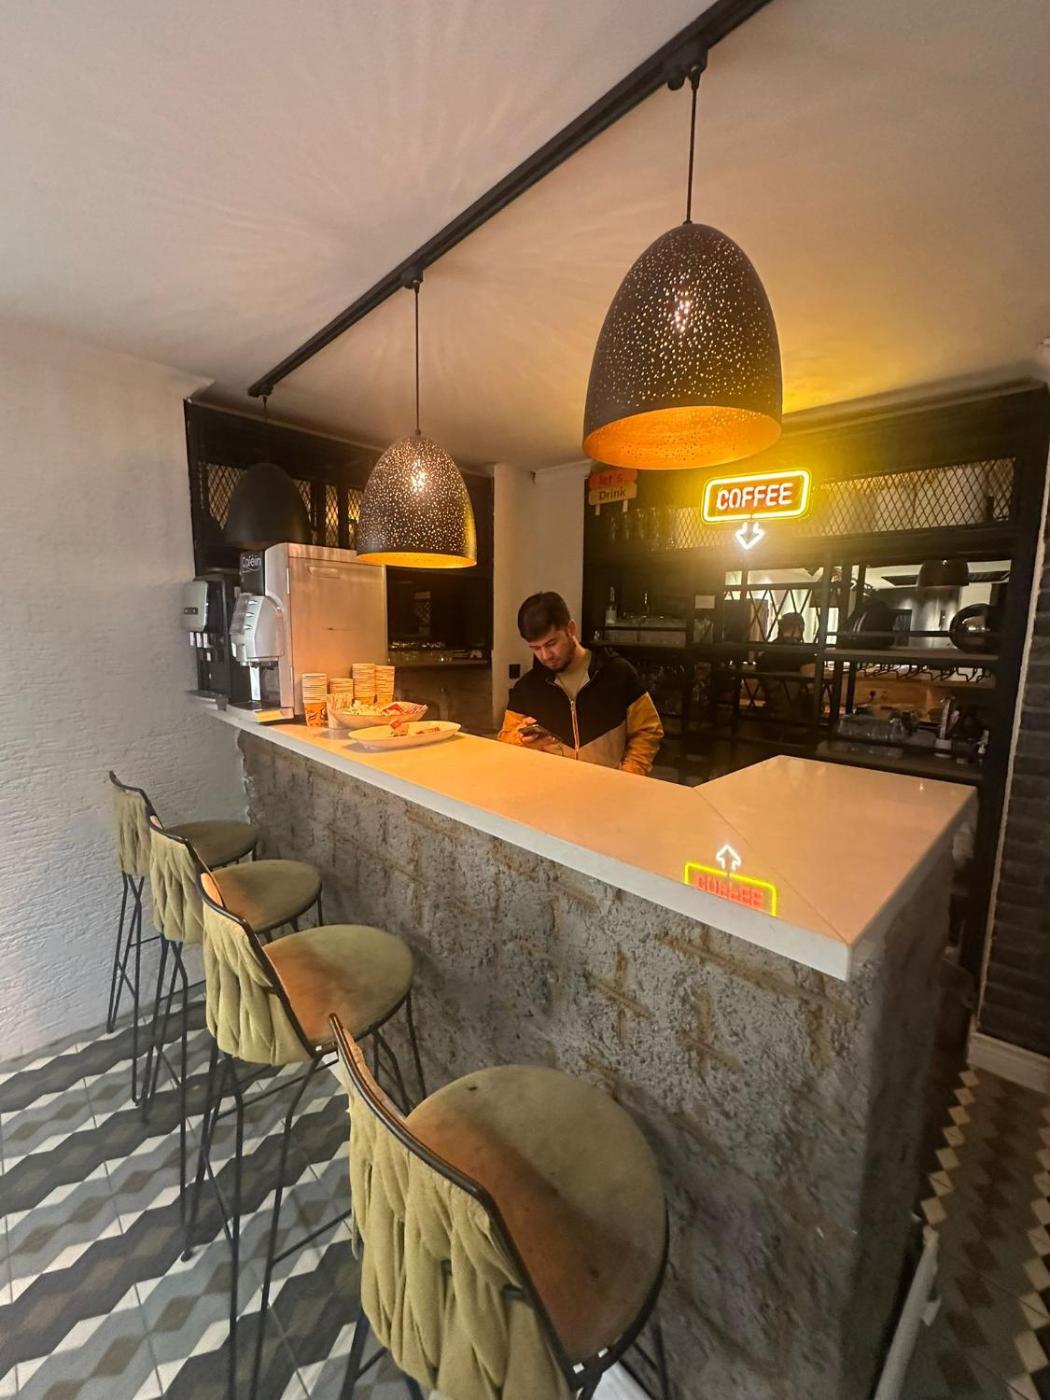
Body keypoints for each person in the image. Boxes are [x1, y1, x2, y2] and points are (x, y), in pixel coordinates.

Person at [498, 591, 664, 776]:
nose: (545, 655)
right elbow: (505, 739)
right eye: (536, 648)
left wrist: (629, 775)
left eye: (551, 643)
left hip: (610, 788)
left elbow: (647, 730)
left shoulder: (618, 673)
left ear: (571, 629)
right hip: (551, 788)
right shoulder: (527, 688)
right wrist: (520, 740)